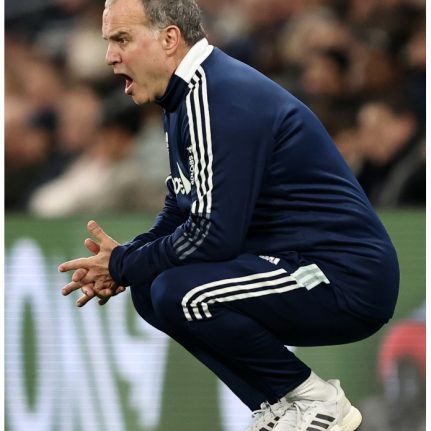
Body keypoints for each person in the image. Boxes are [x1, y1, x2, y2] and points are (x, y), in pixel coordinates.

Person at [58, 0, 399, 430]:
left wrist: (123, 263)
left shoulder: (216, 97)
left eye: (122, 39)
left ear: (169, 38)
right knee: (149, 287)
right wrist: (125, 259)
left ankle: (316, 400)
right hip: (296, 264)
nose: (110, 56)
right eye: (109, 42)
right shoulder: (187, 96)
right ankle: (279, 407)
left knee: (182, 293)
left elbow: (212, 235)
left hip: (343, 276)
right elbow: (181, 209)